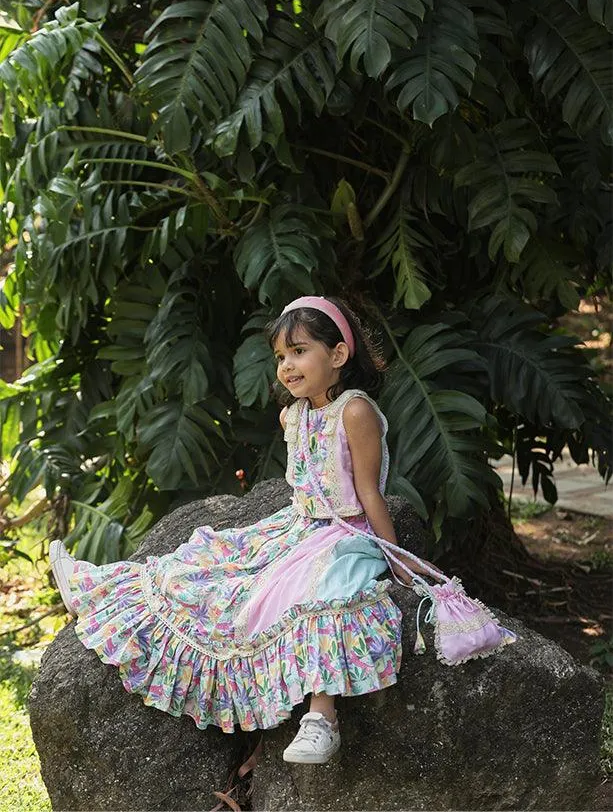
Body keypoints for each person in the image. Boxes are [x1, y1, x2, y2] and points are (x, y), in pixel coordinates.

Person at [49, 295, 443, 764]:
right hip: (297, 525)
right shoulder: (293, 415)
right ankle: (104, 588)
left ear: (338, 355)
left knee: (321, 596)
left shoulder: (355, 412)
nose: (287, 365)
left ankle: (322, 719)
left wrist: (396, 559)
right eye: (280, 356)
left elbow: (369, 493)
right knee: (213, 561)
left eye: (299, 351)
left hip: (345, 533)